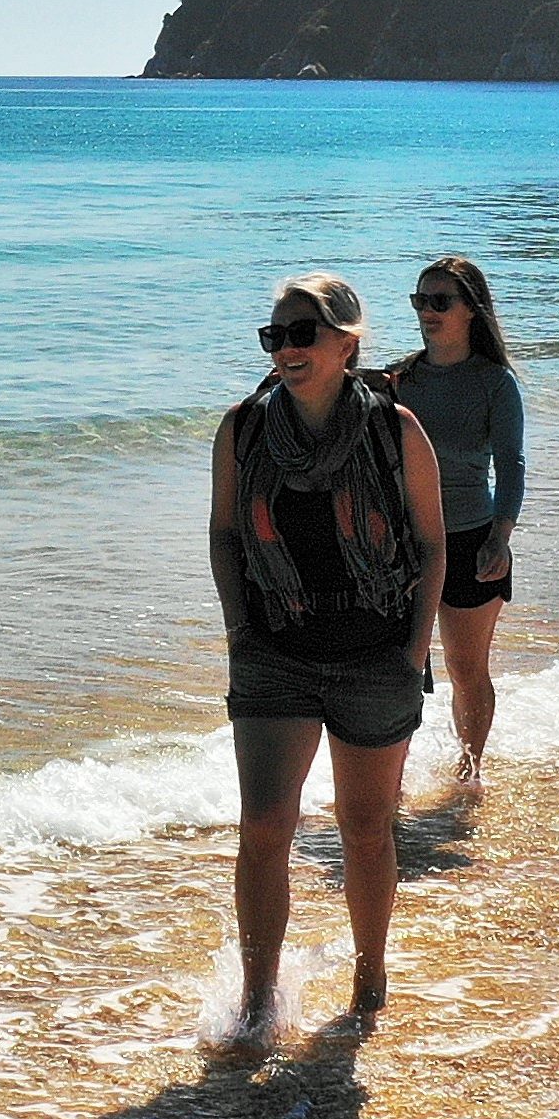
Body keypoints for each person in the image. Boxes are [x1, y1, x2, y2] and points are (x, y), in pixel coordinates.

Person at [206, 270, 443, 1042]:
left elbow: (431, 544)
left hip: (374, 653)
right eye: (274, 336)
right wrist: (239, 630)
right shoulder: (243, 429)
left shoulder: (394, 431)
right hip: (273, 650)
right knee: (263, 825)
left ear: (347, 344)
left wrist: (412, 649)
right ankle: (258, 999)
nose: (285, 349)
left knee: (364, 827)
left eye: (301, 333)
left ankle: (369, 977)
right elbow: (224, 535)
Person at [389, 255, 526, 825]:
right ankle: (389, 783)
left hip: (472, 538)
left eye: (440, 301)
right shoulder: (399, 380)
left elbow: (511, 467)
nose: (427, 311)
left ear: (472, 309)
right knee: (400, 671)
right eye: (420, 300)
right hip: (405, 546)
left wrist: (501, 536)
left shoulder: (495, 382)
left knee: (467, 669)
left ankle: (469, 770)